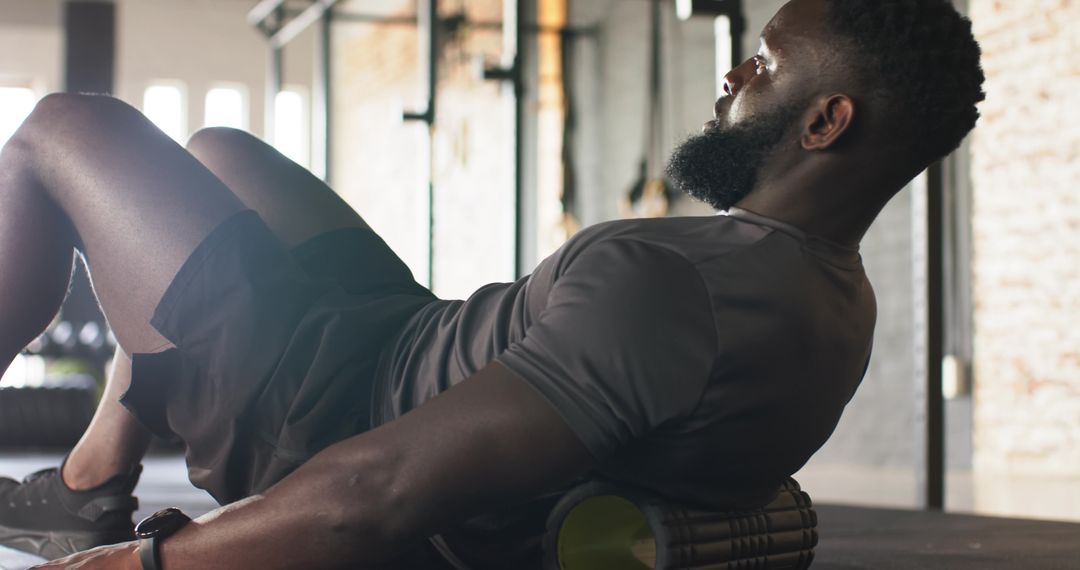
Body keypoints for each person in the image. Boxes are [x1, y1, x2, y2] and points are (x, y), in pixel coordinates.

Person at [0, 0, 984, 567]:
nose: (731, 78)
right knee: (215, 151)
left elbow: (373, 491)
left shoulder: (674, 287)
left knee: (58, 131)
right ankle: (90, 478)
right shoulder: (837, 306)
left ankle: (91, 504)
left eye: (761, 66)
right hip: (393, 340)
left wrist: (146, 562)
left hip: (316, 410)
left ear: (826, 123)